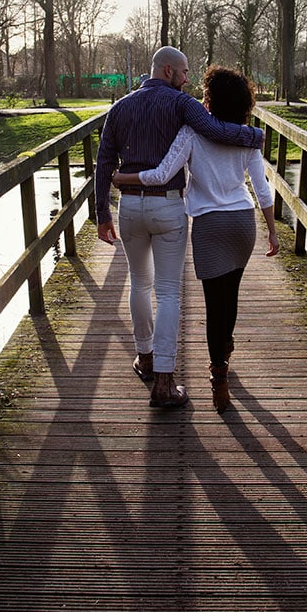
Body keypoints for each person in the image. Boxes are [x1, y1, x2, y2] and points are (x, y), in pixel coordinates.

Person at [95, 47, 263, 410]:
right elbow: (217, 129)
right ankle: (165, 381)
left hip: (128, 205)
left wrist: (101, 214)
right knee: (169, 292)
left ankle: (145, 358)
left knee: (140, 282)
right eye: (185, 72)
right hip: (167, 203)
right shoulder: (182, 105)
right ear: (168, 70)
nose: (188, 80)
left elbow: (103, 161)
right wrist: (255, 137)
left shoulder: (120, 107)